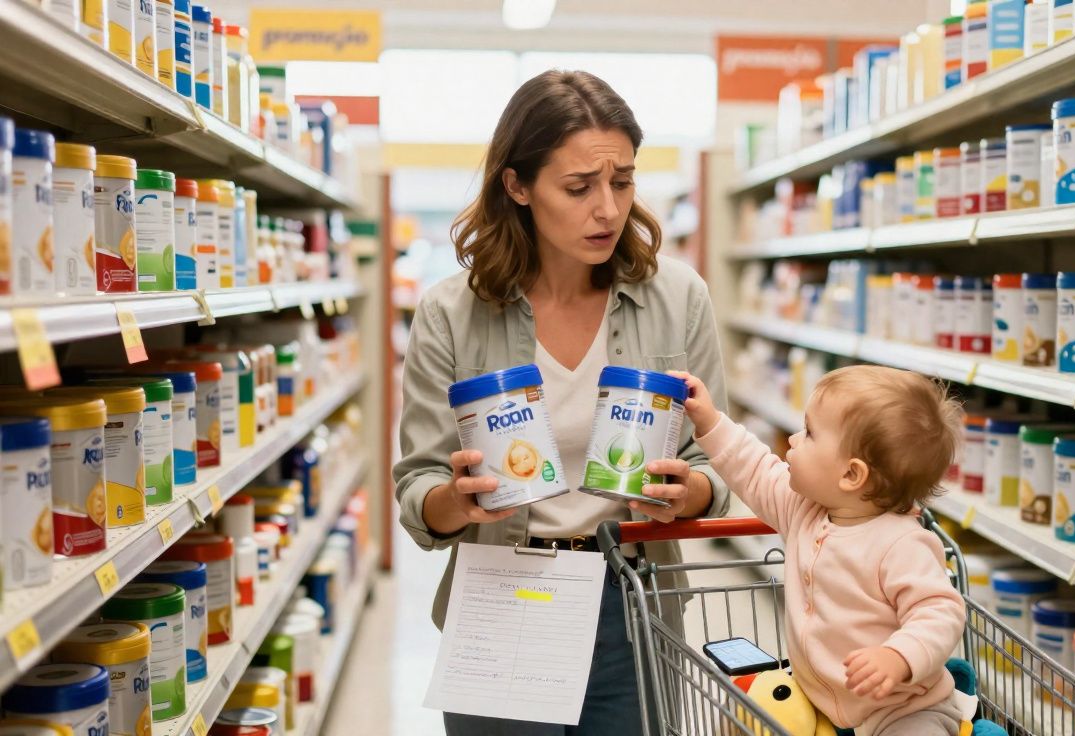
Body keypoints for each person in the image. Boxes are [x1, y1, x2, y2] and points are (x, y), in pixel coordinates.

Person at [391, 70, 731, 735]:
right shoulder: (450, 314)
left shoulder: (679, 297)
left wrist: (692, 493)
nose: (607, 209)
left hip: (632, 598)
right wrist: (454, 502)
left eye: (623, 182)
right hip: (501, 594)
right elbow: (418, 486)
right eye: (579, 187)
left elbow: (715, 461)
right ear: (517, 186)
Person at [673, 365, 969, 736]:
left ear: (851, 475)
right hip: (819, 699)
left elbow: (939, 611)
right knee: (745, 717)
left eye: (810, 433)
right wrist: (711, 421)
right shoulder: (802, 507)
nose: (793, 440)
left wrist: (899, 656)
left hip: (901, 710)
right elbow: (755, 469)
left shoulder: (902, 543)